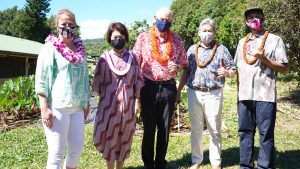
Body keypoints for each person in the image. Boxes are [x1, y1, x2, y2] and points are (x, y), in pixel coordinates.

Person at [132, 7, 188, 169]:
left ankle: (160, 162)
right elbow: (135, 61)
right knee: (149, 127)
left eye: (168, 20)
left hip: (169, 87)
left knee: (164, 127)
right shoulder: (143, 38)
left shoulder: (176, 41)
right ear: (155, 17)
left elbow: (184, 63)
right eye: (162, 19)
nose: (164, 23)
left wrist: (176, 66)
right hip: (148, 86)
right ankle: (148, 163)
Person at [177, 18, 235, 169]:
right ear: (198, 32)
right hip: (194, 93)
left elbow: (233, 69)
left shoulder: (222, 49)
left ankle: (216, 161)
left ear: (214, 32)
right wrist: (178, 91)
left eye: (210, 30)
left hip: (213, 93)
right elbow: (185, 72)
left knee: (214, 129)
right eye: (204, 31)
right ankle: (196, 160)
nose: (207, 33)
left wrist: (227, 73)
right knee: (196, 129)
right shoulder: (191, 50)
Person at [35, 9, 90, 169]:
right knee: (56, 153)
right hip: (58, 107)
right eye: (63, 24)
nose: (67, 27)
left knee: (77, 150)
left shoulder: (81, 49)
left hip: (77, 108)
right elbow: (42, 79)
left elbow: (85, 76)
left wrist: (86, 102)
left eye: (70, 24)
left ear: (75, 26)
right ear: (57, 26)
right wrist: (44, 108)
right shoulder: (50, 48)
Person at [234, 7, 289, 169]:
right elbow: (238, 68)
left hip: (265, 94)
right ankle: (245, 165)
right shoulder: (241, 42)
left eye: (258, 16)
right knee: (244, 131)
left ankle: (264, 166)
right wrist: (238, 91)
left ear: (263, 19)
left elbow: (284, 68)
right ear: (246, 22)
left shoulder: (275, 40)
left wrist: (264, 59)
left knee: (265, 134)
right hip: (244, 95)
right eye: (251, 17)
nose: (254, 19)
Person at [93, 22, 144, 169]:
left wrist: (137, 102)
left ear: (126, 38)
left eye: (121, 37)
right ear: (110, 38)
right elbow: (97, 84)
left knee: (124, 138)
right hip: (108, 107)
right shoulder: (104, 59)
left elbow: (138, 81)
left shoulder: (132, 58)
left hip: (128, 106)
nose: (118, 39)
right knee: (109, 139)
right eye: (115, 37)